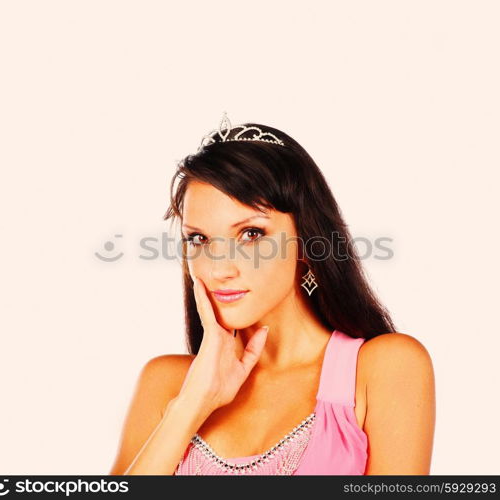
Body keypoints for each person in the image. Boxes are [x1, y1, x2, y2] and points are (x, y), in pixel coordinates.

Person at [109, 113, 436, 475]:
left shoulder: (384, 368)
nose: (220, 268)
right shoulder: (166, 384)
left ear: (307, 242)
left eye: (251, 234)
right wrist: (191, 405)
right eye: (199, 239)